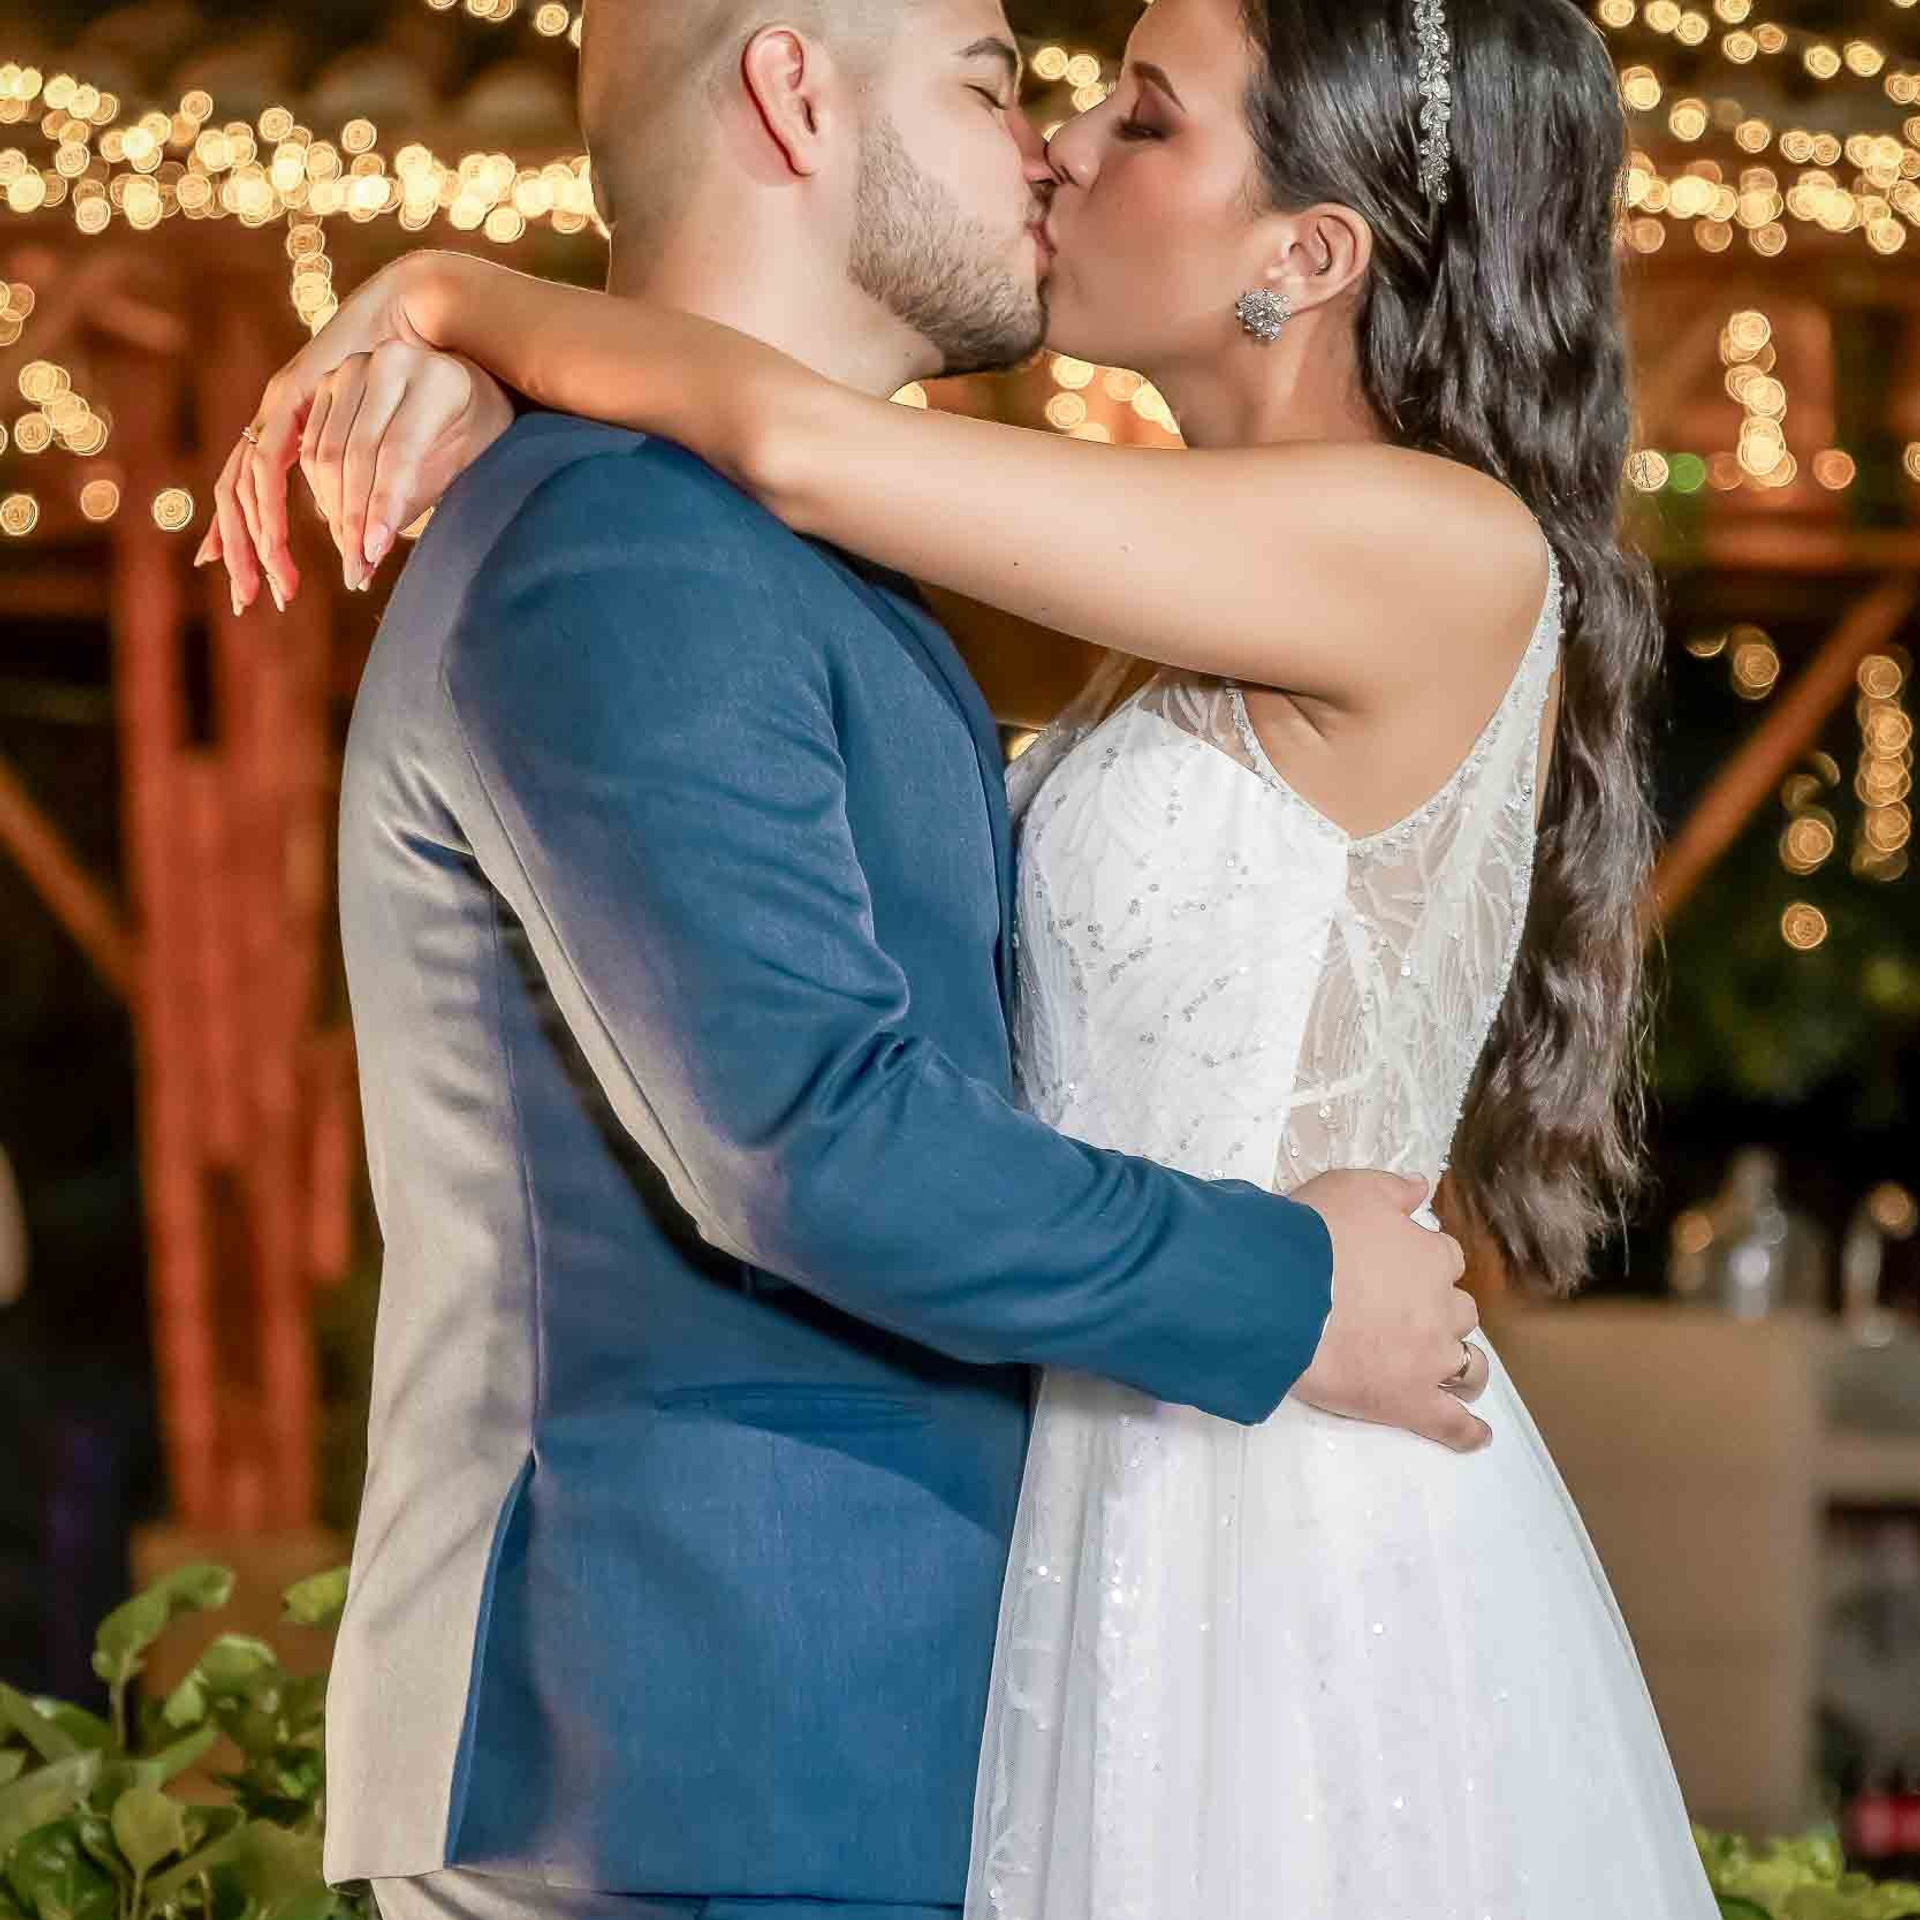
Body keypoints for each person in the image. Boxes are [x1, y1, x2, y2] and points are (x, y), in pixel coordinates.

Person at [202, 2, 1495, 1918]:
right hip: (702, 1729)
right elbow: (814, 1144)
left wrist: (463, 303)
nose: (1046, 146)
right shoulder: (628, 546)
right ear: (794, 95)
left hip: (849, 1719)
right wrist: (1294, 1290)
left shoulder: (766, 537)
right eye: (991, 82)